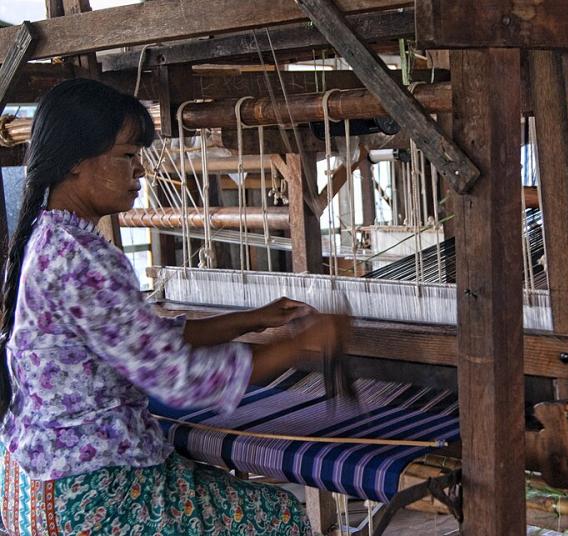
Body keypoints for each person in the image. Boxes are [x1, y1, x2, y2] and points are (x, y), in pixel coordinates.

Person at [0, 78, 345, 535]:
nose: (140, 170)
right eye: (127, 156)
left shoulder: (44, 238)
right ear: (76, 163)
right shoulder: (84, 257)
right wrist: (303, 344)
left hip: (30, 486)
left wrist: (250, 320)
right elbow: (180, 380)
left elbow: (140, 336)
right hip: (92, 497)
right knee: (279, 516)